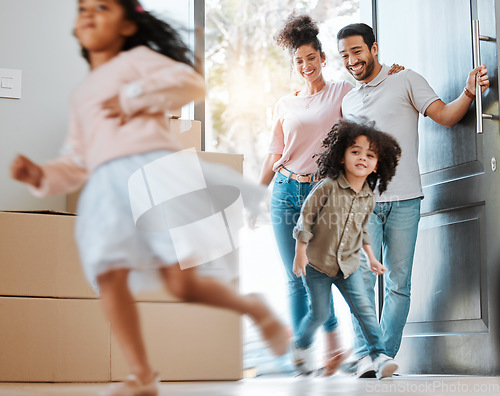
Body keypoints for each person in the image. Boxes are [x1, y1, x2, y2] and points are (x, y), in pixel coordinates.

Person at [10, 1, 289, 395]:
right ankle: (142, 375)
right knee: (108, 273)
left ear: (126, 25)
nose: (88, 13)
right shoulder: (82, 94)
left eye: (102, 7)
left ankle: (255, 307)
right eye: (83, 8)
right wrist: (41, 175)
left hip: (155, 174)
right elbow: (77, 160)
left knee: (182, 286)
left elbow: (192, 84)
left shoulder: (138, 60)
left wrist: (132, 96)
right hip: (107, 187)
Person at [337, 23, 490, 374]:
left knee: (398, 284)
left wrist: (468, 92)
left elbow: (446, 117)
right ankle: (367, 357)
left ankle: (382, 356)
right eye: (344, 55)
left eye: (357, 51)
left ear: (374, 49)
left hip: (407, 200)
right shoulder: (348, 100)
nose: (351, 60)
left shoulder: (405, 80)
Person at [258, 13, 402, 375]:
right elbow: (274, 155)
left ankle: (340, 345)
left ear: (323, 58)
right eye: (299, 61)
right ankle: (305, 355)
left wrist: (392, 74)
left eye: (311, 57)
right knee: (294, 277)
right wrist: (251, 192)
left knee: (324, 270)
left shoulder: (342, 92)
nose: (306, 65)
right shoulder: (284, 104)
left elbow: (372, 89)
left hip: (321, 194)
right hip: (284, 189)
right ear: (294, 66)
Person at [291, 119, 402, 379]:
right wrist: (300, 253)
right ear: (341, 157)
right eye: (355, 151)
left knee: (363, 308)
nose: (362, 158)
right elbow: (305, 219)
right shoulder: (327, 187)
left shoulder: (367, 196)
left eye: (370, 155)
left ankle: (380, 355)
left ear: (377, 165)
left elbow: (361, 230)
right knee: (319, 313)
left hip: (348, 266)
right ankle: (301, 345)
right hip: (317, 265)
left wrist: (372, 258)